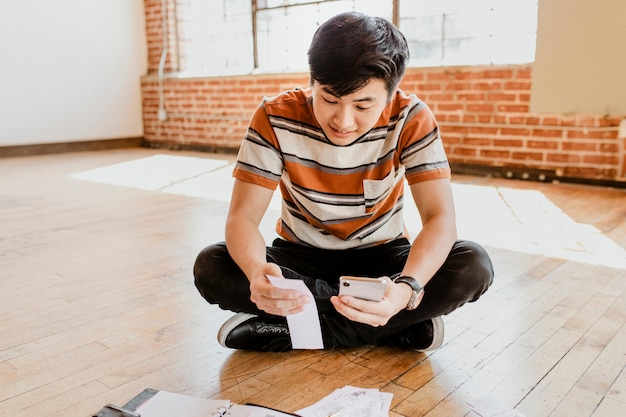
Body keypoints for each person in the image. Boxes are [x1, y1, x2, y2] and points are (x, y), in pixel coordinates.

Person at [194, 12, 494, 352]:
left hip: (383, 260)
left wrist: (406, 288)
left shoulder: (412, 117)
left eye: (363, 105)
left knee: (473, 265)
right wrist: (256, 273)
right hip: (301, 259)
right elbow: (242, 218)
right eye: (329, 100)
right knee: (212, 265)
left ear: (390, 94)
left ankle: (301, 332)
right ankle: (393, 328)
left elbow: (440, 219)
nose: (343, 121)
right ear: (313, 82)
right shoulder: (274, 116)